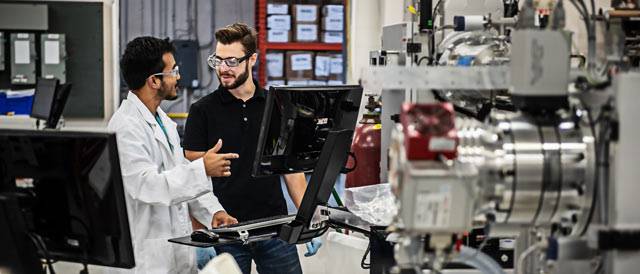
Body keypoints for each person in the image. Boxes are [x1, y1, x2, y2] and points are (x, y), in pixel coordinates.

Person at [182, 23, 321, 274]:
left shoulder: (276, 106)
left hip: (274, 228)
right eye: (218, 60)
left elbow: (291, 171)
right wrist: (199, 233)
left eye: (232, 61)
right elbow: (191, 177)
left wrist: (307, 219)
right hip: (224, 232)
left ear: (252, 59)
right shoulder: (202, 111)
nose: (223, 69)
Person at [108, 36, 238, 273]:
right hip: (146, 259)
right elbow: (147, 186)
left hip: (173, 252)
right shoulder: (125, 127)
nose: (179, 77)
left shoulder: (163, 122)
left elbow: (181, 178)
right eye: (174, 71)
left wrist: (214, 212)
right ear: (154, 81)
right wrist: (202, 169)